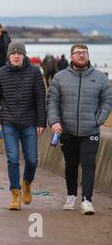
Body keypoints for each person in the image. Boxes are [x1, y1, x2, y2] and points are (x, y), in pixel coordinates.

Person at [47, 44, 112, 215]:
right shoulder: (60, 77)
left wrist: (98, 120)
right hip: (67, 131)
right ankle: (71, 196)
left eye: (85, 53)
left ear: (88, 55)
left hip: (90, 131)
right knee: (71, 165)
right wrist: (54, 121)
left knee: (88, 164)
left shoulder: (100, 78)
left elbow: (107, 101)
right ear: (71, 56)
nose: (82, 55)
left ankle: (87, 201)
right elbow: (52, 101)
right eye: (78, 53)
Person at [0, 42, 46, 211]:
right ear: (9, 56)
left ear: (24, 55)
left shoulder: (35, 72)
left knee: (32, 160)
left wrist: (41, 122)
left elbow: (40, 99)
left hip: (29, 123)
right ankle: (16, 194)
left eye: (19, 53)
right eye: (13, 54)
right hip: (8, 124)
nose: (16, 56)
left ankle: (27, 183)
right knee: (13, 159)